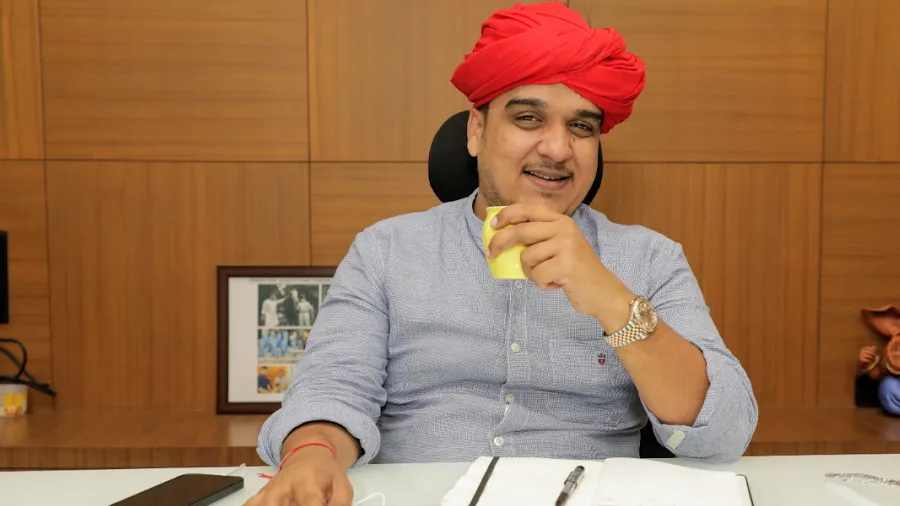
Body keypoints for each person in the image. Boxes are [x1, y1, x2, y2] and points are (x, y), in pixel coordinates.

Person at [246, 3, 758, 505]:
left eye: (581, 127)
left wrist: (612, 301)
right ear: (476, 131)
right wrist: (312, 455)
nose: (557, 149)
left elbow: (725, 430)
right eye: (529, 118)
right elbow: (331, 389)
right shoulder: (386, 251)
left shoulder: (649, 258)